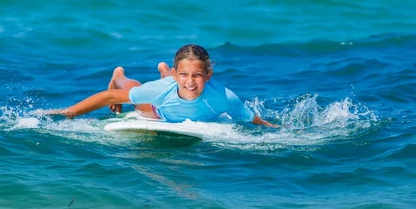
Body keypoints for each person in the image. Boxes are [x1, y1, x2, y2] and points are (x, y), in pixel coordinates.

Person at [32, 44, 278, 127]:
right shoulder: (161, 90)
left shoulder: (225, 97)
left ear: (209, 75)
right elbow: (108, 97)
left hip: (167, 87)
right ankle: (119, 74)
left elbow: (252, 119)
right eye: (183, 75)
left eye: (198, 75)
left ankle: (161, 72)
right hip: (159, 109)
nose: (190, 82)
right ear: (176, 73)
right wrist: (69, 114)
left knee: (163, 87)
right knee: (140, 101)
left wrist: (278, 129)